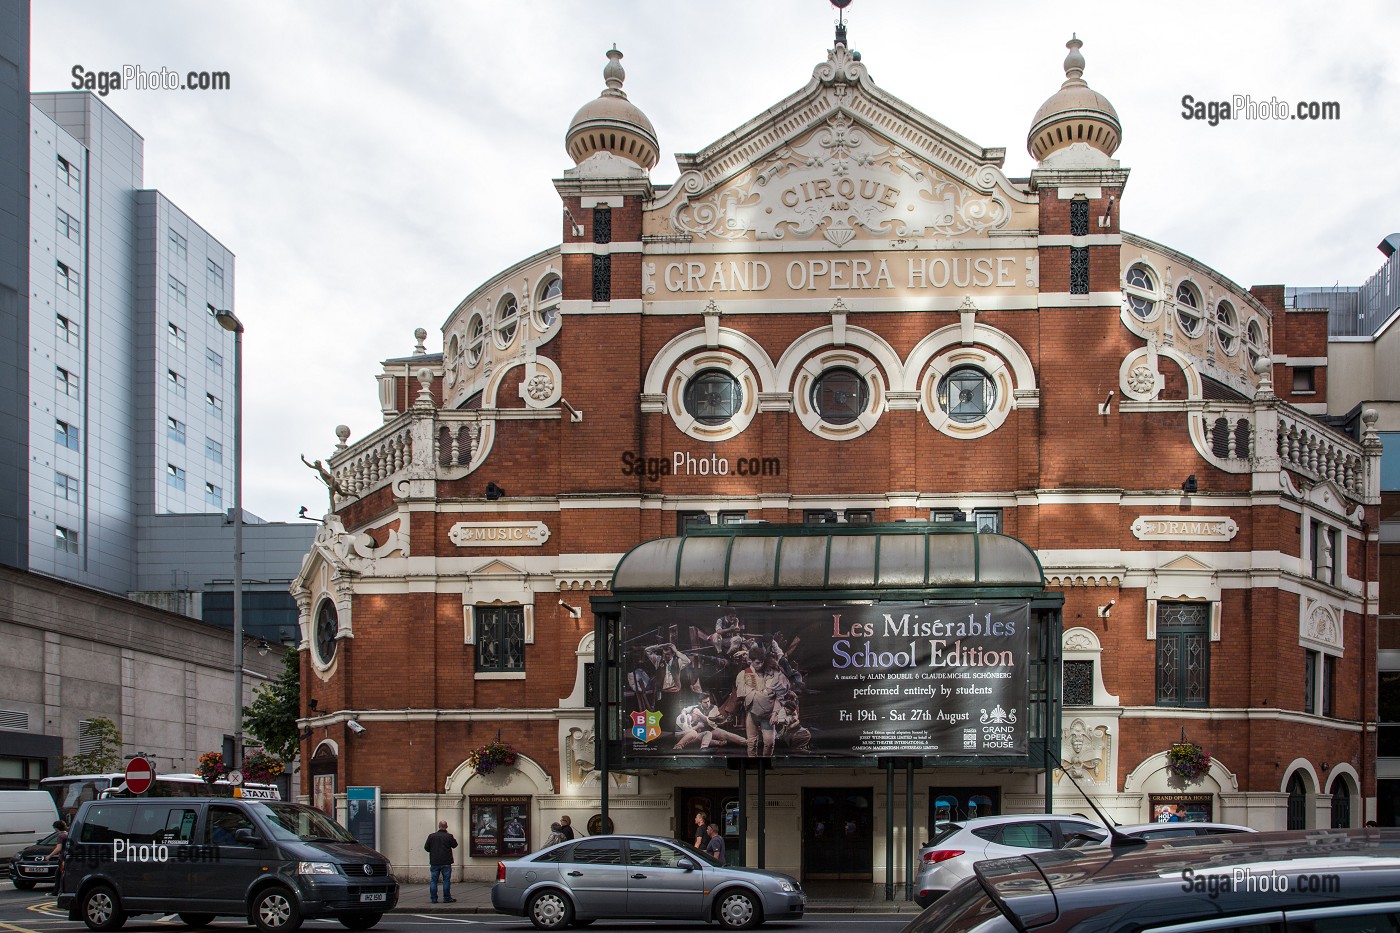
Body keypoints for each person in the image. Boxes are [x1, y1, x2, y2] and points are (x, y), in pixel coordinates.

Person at [424, 820, 458, 904]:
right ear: (446, 827)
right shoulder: (449, 836)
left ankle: (434, 898)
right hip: (446, 861)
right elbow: (455, 845)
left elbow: (426, 847)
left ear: (439, 826)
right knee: (446, 880)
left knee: (433, 880)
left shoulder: (431, 836)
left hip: (434, 861)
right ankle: (446, 898)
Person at [47, 820, 67, 894]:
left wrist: (49, 856)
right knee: (59, 874)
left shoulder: (60, 836)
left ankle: (57, 892)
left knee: (59, 875)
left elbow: (58, 848)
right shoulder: (67, 834)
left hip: (62, 859)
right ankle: (57, 891)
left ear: (56, 828)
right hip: (66, 858)